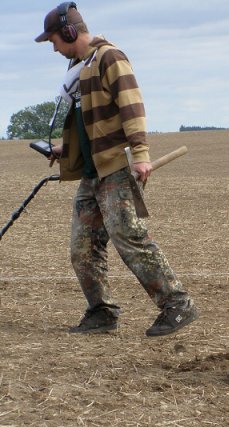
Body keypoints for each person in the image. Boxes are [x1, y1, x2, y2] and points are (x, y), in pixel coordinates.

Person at [35, 3, 198, 337]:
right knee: (81, 248)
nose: (52, 47)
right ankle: (102, 312)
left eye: (53, 39)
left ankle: (178, 303)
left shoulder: (110, 57)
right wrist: (66, 150)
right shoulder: (82, 69)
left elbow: (132, 105)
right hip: (92, 172)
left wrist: (141, 154)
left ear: (69, 32)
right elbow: (90, 124)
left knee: (128, 236)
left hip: (116, 167)